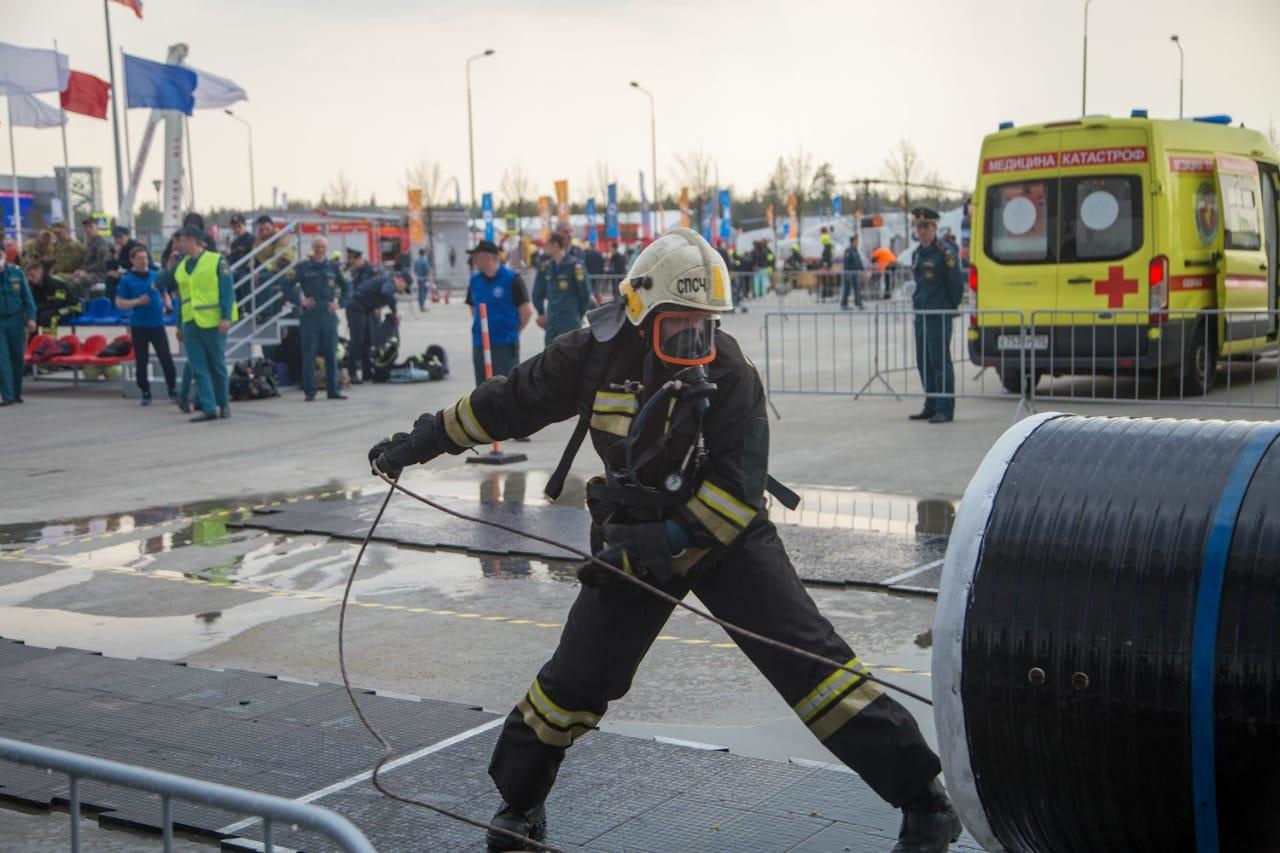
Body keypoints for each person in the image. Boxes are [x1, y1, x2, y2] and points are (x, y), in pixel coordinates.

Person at [366, 228, 961, 853]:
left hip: (726, 539)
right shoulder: (592, 357)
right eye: (679, 325)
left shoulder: (732, 374)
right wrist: (426, 440)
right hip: (632, 534)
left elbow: (737, 492)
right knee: (572, 683)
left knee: (812, 666)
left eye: (705, 325)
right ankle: (520, 805)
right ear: (638, 312)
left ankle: (925, 802)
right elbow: (509, 401)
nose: (695, 342)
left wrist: (670, 539)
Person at [173, 225, 237, 422]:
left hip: (213, 321)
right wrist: (179, 324)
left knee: (217, 365)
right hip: (190, 322)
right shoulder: (182, 265)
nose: (179, 244)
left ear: (191, 240)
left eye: (181, 240)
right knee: (198, 366)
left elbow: (227, 291)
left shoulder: (217, 261)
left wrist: (225, 317)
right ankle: (209, 408)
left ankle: (223, 404)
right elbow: (182, 297)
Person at [907, 208, 963, 424]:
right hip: (921, 314)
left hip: (938, 315)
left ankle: (945, 407)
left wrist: (948, 308)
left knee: (940, 362)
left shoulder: (944, 253)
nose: (921, 231)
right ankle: (930, 404)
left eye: (925, 227)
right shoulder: (918, 253)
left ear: (934, 227)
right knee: (924, 361)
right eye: (918, 227)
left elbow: (956, 284)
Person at [463, 239, 532, 385]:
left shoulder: (512, 279)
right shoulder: (475, 281)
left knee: (505, 389)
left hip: (504, 346)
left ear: (488, 257)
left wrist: (514, 330)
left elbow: (526, 311)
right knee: (482, 390)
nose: (473, 260)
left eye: (476, 256)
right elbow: (473, 307)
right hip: (480, 344)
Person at [115, 245, 177, 406]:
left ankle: (172, 390)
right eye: (140, 258)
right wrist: (136, 302)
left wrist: (168, 305)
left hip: (157, 323)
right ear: (132, 260)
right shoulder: (126, 279)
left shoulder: (156, 275)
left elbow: (164, 293)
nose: (144, 261)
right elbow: (120, 303)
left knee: (166, 358)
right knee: (141, 361)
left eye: (146, 257)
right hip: (139, 326)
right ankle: (145, 392)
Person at [291, 236, 350, 401]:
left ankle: (334, 390)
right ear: (312, 247)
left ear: (327, 248)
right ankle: (310, 391)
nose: (320, 249)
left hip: (328, 316)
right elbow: (286, 285)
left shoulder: (333, 268)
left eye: (323, 246)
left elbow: (347, 288)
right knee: (309, 355)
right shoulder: (303, 268)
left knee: (331, 354)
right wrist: (300, 300)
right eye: (317, 246)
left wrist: (339, 304)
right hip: (310, 317)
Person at [346, 262, 406, 384]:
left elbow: (375, 293)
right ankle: (352, 373)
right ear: (400, 280)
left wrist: (376, 307)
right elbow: (386, 293)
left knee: (369, 341)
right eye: (405, 287)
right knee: (357, 341)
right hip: (356, 308)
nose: (403, 291)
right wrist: (395, 311)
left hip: (366, 310)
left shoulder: (386, 281)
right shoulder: (390, 283)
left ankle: (367, 372)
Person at [531, 232, 590, 347]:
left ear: (556, 245)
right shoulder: (546, 267)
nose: (545, 247)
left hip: (570, 320)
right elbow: (538, 291)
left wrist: (578, 314)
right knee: (550, 356)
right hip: (552, 321)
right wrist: (541, 312)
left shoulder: (575, 266)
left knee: (571, 356)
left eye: (547, 244)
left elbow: (585, 293)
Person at [0, 254, 37, 406]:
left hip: (16, 320)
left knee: (17, 357)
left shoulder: (16, 272)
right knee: (3, 360)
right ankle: (7, 395)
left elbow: (27, 297)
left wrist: (31, 317)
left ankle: (16, 393)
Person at [26, 263, 82, 331]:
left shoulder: (55, 283)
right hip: (53, 308)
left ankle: (50, 340)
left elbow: (58, 303)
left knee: (49, 317)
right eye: (28, 276)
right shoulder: (33, 286)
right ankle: (33, 341)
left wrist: (38, 308)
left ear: (40, 273)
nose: (29, 278)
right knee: (33, 317)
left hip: (71, 308)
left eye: (32, 275)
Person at [841, 234, 866, 310]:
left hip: (855, 273)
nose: (858, 242)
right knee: (847, 289)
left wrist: (862, 270)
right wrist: (846, 273)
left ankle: (858, 303)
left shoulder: (856, 251)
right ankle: (844, 304)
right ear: (853, 242)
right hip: (849, 273)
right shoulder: (848, 251)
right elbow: (846, 263)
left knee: (857, 288)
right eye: (856, 241)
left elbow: (859, 261)